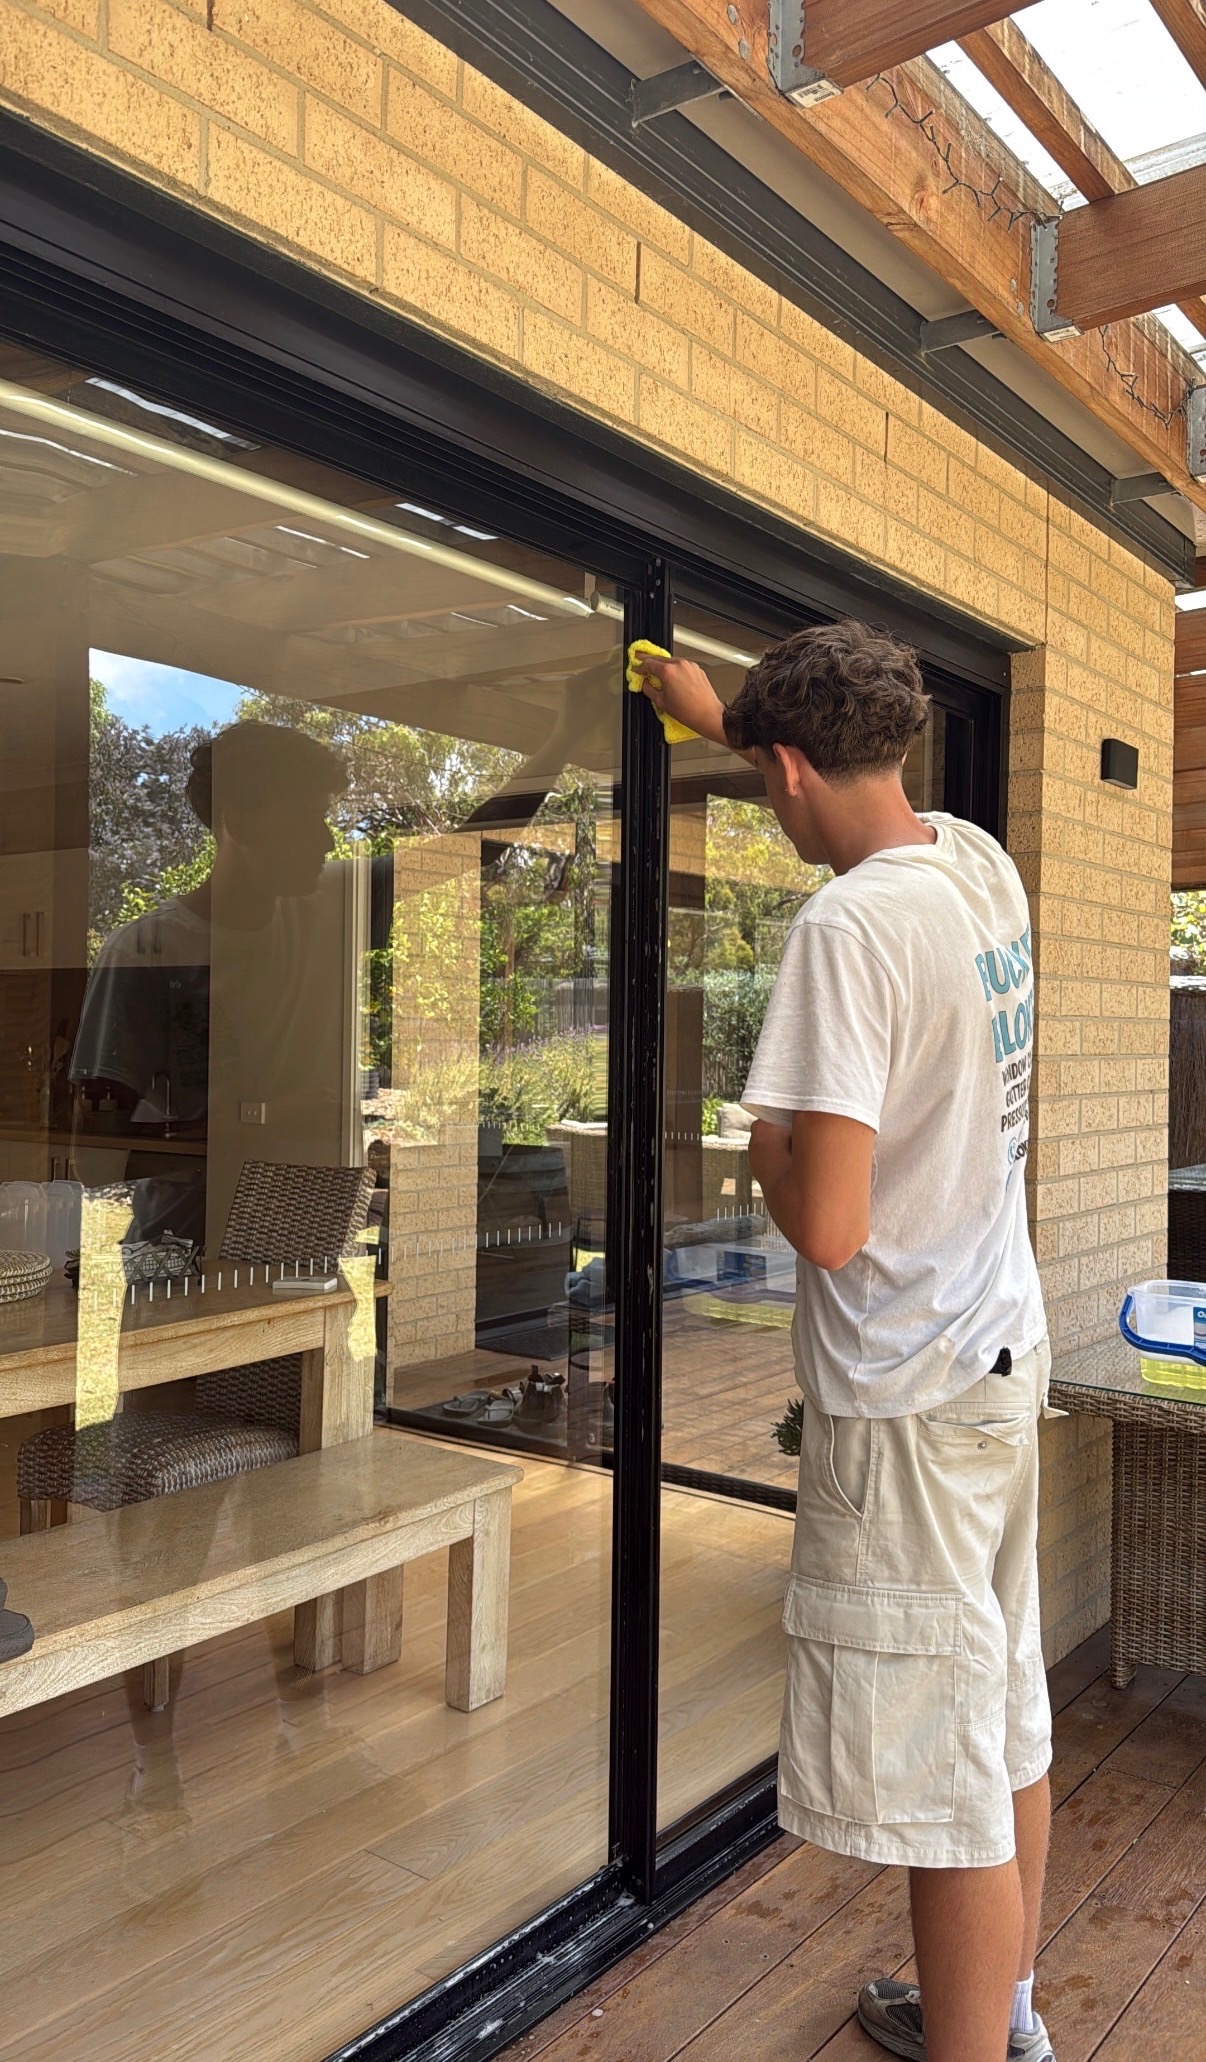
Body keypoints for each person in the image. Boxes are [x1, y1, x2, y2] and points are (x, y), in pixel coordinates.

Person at [635, 622, 1055, 2062]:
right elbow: (833, 773)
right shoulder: (975, 864)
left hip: (906, 1399)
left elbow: (823, 1222)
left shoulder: (847, 930)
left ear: (789, 770)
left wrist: (760, 1140)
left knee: (940, 1775)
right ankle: (1003, 2012)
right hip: (994, 1360)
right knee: (1000, 1714)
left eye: (764, 776)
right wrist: (726, 722)